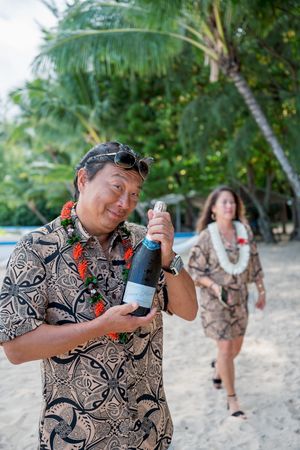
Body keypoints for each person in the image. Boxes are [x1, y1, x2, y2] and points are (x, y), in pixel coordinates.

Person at [0, 141, 198, 449]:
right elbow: (16, 348)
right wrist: (100, 327)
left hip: (149, 431)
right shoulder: (35, 249)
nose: (125, 202)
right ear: (83, 180)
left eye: (134, 194)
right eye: (116, 187)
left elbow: (188, 310)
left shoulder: (144, 241)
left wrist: (170, 257)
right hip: (76, 437)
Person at [188, 186, 266, 418]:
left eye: (232, 202)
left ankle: (219, 369)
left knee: (236, 348)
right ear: (213, 208)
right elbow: (194, 271)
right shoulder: (206, 237)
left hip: (240, 298)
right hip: (216, 302)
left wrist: (261, 290)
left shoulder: (244, 232)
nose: (229, 206)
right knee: (225, 347)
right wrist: (215, 286)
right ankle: (232, 400)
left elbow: (254, 262)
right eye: (224, 202)